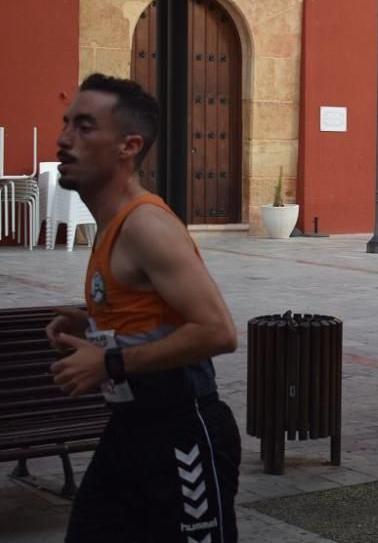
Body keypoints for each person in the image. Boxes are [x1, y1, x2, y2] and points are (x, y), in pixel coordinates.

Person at [46, 74, 241, 543]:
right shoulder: (111, 223)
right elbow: (150, 312)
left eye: (85, 127)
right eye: (67, 122)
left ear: (128, 146)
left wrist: (108, 362)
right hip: (129, 431)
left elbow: (218, 331)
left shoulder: (145, 225)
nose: (64, 139)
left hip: (183, 434)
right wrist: (91, 320)